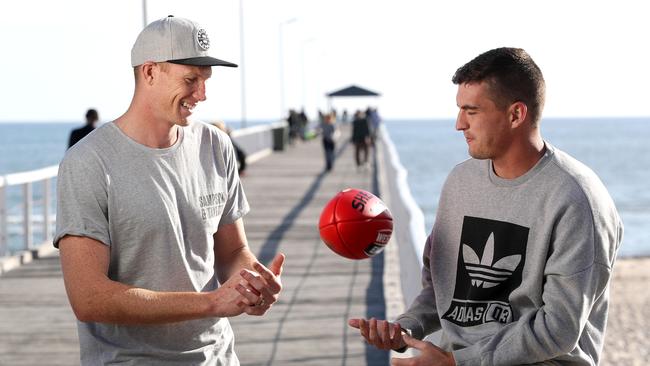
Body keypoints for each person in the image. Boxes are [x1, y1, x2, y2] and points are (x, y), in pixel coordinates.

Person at [349, 47, 623, 365]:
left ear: (516, 115)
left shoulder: (577, 199)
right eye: (459, 109)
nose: (459, 124)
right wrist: (405, 326)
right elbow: (441, 289)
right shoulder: (460, 181)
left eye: (472, 111)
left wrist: (456, 363)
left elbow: (558, 329)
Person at [54, 15, 284, 365]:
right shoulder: (88, 162)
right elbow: (89, 298)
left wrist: (251, 282)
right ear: (149, 72)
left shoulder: (215, 145)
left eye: (206, 80)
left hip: (217, 357)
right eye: (191, 79)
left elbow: (232, 250)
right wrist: (211, 303)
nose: (202, 94)